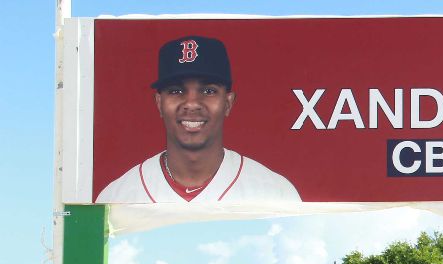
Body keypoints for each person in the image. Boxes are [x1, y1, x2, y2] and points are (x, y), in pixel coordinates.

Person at [97, 35, 301, 203]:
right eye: (176, 90)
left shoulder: (276, 193)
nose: (192, 103)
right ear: (159, 103)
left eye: (208, 90)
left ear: (228, 102)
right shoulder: (116, 197)